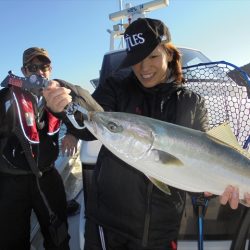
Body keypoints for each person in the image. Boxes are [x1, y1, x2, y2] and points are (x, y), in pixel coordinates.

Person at [43, 18, 250, 250]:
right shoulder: (116, 88)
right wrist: (66, 101)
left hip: (162, 229)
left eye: (153, 56)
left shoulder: (193, 102)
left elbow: (204, 159)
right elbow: (92, 122)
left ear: (169, 54)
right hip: (108, 223)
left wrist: (219, 189)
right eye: (136, 60)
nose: (144, 68)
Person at [0, 47, 79, 250]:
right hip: (12, 181)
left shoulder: (60, 94)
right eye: (32, 67)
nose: (39, 72)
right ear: (24, 71)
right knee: (12, 240)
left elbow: (79, 116)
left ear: (50, 69)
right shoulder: (6, 97)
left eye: (44, 66)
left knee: (59, 238)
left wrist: (72, 132)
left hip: (47, 177)